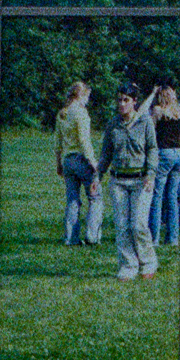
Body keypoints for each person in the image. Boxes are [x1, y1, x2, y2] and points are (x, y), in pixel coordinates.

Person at [99, 83, 160, 278]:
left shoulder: (145, 122)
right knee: (122, 226)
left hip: (141, 181)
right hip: (118, 181)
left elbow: (152, 148)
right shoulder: (112, 125)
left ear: (135, 102)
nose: (122, 104)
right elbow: (106, 153)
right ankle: (128, 265)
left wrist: (151, 174)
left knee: (139, 224)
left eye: (126, 100)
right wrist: (97, 176)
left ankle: (148, 262)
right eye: (119, 100)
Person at [150, 82, 180, 249]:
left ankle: (153, 238)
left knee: (157, 196)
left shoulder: (158, 111)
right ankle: (173, 237)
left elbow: (151, 132)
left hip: (164, 153)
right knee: (173, 197)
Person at [55, 78, 100, 247]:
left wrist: (58, 163)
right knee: (95, 196)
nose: (87, 101)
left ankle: (71, 237)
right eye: (87, 96)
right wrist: (92, 161)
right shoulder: (80, 112)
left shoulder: (62, 113)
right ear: (81, 95)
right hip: (81, 159)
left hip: (67, 160)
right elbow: (83, 140)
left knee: (73, 199)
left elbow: (57, 142)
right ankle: (92, 235)